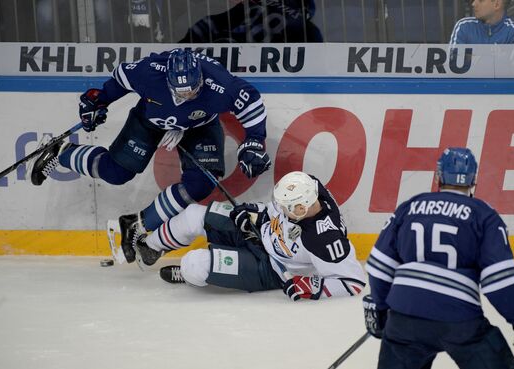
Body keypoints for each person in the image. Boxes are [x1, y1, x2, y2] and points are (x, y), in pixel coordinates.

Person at [29, 48, 271, 264]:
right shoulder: (148, 72)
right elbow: (120, 77)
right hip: (150, 120)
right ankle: (61, 153)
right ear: (168, 79)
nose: (185, 97)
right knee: (116, 172)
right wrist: (98, 100)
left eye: (193, 91)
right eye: (180, 92)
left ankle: (137, 224)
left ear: (201, 80)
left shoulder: (220, 84)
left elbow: (252, 104)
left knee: (201, 184)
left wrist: (254, 141)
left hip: (200, 125)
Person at [363, 148, 514, 369]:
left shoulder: (409, 207)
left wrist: (380, 307)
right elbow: (499, 281)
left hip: (404, 317)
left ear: (438, 176)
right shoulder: (484, 215)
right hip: (459, 319)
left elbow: (380, 267)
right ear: (474, 179)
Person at [133, 171, 365, 301]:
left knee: (194, 264)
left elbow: (353, 282)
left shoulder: (325, 240)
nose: (280, 209)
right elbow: (272, 210)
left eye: (285, 208)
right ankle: (151, 247)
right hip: (260, 230)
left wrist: (314, 287)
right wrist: (256, 212)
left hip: (270, 267)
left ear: (301, 210)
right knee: (193, 215)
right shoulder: (308, 185)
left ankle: (192, 275)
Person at [177, 0, 322, 43]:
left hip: (227, 50)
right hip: (256, 64)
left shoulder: (254, 4)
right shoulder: (308, 28)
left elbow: (211, 23)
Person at [449, 0, 514, 44]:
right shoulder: (463, 26)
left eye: (480, 0)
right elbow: (453, 68)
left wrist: (471, 57)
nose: (473, 4)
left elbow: (508, 70)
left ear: (497, 4)